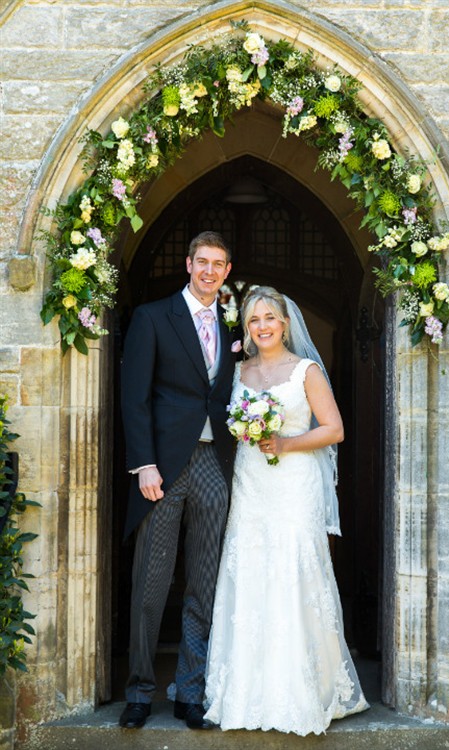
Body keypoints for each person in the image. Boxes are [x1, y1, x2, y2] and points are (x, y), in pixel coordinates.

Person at [204, 286, 369, 736]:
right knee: (251, 572)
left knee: (295, 575)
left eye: (270, 318)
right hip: (251, 483)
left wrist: (287, 443)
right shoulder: (237, 371)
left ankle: (304, 691)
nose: (262, 326)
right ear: (248, 327)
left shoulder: (306, 371)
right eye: (254, 320)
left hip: (294, 485)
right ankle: (246, 692)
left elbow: (334, 429)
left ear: (285, 323)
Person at [119, 231, 239, 730]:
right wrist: (144, 463)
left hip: (216, 463)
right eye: (202, 262)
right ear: (188, 264)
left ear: (227, 271)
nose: (210, 271)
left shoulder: (235, 323)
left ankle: (190, 691)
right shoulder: (152, 317)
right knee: (152, 582)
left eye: (219, 264)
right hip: (163, 469)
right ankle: (141, 692)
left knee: (205, 584)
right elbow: (135, 397)